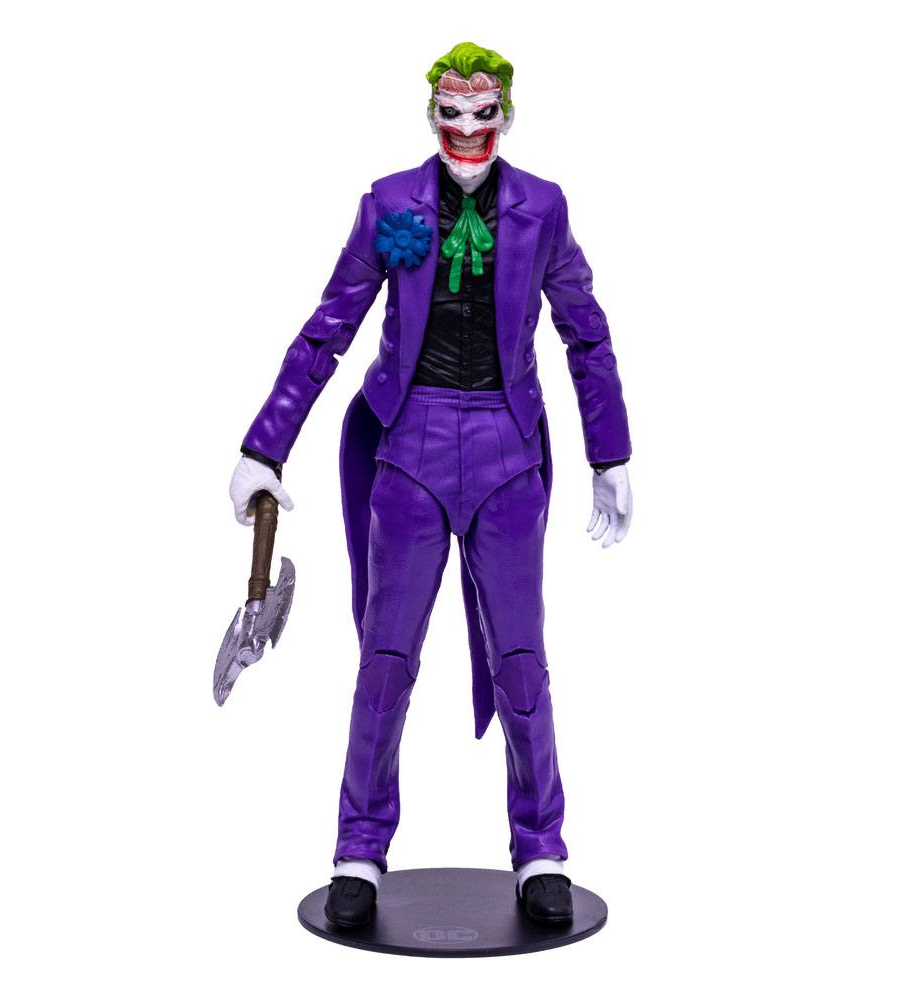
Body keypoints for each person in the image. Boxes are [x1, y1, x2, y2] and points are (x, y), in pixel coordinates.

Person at [229, 42, 633, 927]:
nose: (467, 130)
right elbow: (327, 328)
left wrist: (609, 454)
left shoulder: (543, 208)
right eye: (451, 114)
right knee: (385, 658)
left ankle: (541, 847)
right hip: (407, 446)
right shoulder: (389, 204)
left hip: (505, 447)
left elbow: (586, 330)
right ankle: (359, 847)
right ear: (431, 117)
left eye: (483, 114)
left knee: (521, 658)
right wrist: (266, 447)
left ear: (507, 116)